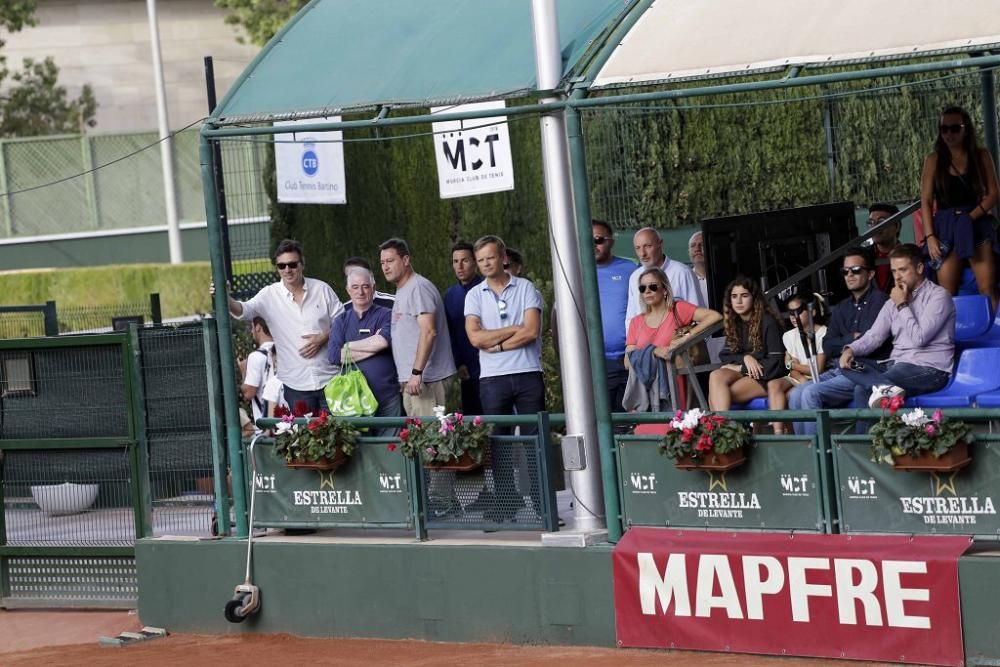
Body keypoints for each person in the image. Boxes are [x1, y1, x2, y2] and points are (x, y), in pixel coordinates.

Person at [465, 235, 545, 523]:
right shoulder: (474, 295)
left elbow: (531, 331)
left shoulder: (526, 288)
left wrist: (495, 343)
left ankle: (542, 505)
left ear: (503, 258)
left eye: (490, 257)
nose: (486, 264)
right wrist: (513, 328)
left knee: (534, 442)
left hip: (527, 373)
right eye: (481, 259)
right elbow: (475, 337)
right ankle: (507, 505)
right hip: (492, 379)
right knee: (498, 445)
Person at [217, 239, 343, 414]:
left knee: (339, 437)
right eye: (281, 266)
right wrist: (225, 297)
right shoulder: (269, 294)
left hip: (331, 378)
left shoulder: (322, 289)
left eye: (292, 264)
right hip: (296, 384)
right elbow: (243, 310)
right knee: (306, 439)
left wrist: (323, 338)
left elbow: (342, 321)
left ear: (302, 264)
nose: (287, 270)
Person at [840, 244, 955, 408]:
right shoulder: (892, 302)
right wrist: (851, 349)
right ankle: (885, 387)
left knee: (862, 390)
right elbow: (874, 336)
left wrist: (902, 305)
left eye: (903, 270)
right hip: (896, 364)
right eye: (894, 271)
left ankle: (882, 395)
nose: (898, 277)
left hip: (930, 369)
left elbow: (919, 338)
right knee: (847, 364)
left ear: (920, 268)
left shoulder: (938, 296)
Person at [789, 248, 891, 433]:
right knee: (796, 394)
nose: (849, 275)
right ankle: (805, 452)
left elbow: (870, 342)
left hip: (866, 370)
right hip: (839, 370)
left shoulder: (881, 301)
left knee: (811, 392)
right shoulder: (842, 307)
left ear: (870, 274)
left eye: (856, 270)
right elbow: (828, 346)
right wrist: (851, 338)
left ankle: (819, 457)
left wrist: (845, 343)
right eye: (845, 271)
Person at [920, 105, 1000, 308]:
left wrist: (970, 217)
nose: (949, 134)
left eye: (955, 128)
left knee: (987, 288)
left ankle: (995, 334)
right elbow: (926, 201)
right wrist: (930, 237)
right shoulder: (934, 159)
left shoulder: (981, 155)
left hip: (976, 222)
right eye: (944, 129)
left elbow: (993, 194)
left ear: (966, 129)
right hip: (947, 226)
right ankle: (950, 338)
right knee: (946, 293)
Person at [622, 267, 721, 412]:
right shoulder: (636, 322)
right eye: (643, 288)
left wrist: (687, 337)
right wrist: (654, 351)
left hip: (678, 385)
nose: (647, 291)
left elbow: (715, 317)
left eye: (653, 286)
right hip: (646, 394)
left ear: (665, 289)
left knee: (677, 429)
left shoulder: (678, 309)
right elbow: (627, 361)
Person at [379, 238, 456, 416]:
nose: (385, 267)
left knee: (431, 439)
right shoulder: (404, 289)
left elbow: (429, 331)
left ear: (406, 260)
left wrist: (416, 372)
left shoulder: (418, 288)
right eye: (382, 263)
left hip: (428, 380)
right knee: (419, 440)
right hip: (415, 382)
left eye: (390, 261)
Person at [327, 266, 400, 433]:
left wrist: (347, 346)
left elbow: (383, 342)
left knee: (390, 449)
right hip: (354, 402)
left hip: (387, 398)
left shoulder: (387, 314)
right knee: (361, 453)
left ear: (373, 288)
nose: (360, 292)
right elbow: (333, 356)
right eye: (355, 287)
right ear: (348, 290)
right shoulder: (341, 320)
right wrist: (373, 343)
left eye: (365, 286)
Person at [708, 277, 785, 415]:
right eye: (734, 296)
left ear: (754, 298)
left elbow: (777, 364)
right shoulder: (735, 323)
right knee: (715, 376)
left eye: (744, 296)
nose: (738, 301)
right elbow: (726, 356)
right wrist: (746, 358)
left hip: (768, 378)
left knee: (720, 394)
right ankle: (723, 431)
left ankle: (723, 432)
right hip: (746, 375)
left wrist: (740, 367)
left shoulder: (768, 322)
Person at [593, 220, 637, 414]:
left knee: (634, 415)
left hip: (631, 355)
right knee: (605, 418)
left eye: (598, 240)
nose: (593, 245)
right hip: (597, 360)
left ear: (611, 241)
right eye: (588, 241)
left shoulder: (630, 269)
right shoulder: (575, 272)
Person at [766, 294, 828, 434]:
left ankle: (803, 437)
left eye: (798, 312)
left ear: (812, 312)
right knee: (773, 384)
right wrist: (798, 375)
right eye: (790, 313)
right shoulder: (788, 335)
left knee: (791, 395)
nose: (793, 317)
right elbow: (789, 367)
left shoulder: (823, 333)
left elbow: (817, 369)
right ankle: (779, 434)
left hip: (817, 379)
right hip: (798, 377)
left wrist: (792, 365)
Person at [625, 227, 703, 327]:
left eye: (648, 246)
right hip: (643, 342)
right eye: (638, 248)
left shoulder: (682, 273)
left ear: (660, 244)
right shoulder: (634, 277)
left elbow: (698, 317)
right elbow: (630, 319)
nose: (643, 253)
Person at [443, 241, 484, 416]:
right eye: (455, 261)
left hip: (492, 364)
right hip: (466, 368)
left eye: (465, 260)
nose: (459, 266)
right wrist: (458, 362)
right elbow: (450, 332)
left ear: (475, 262)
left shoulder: (486, 288)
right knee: (472, 419)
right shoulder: (450, 295)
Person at [239, 317, 276, 432]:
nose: (251, 331)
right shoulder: (284, 350)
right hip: (288, 419)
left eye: (252, 327)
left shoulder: (255, 357)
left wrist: (243, 371)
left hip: (266, 426)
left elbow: (248, 393)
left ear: (258, 327)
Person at [866, 203, 901, 293]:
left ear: (897, 227)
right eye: (871, 222)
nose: (875, 227)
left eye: (881, 222)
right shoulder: (863, 257)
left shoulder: (908, 256)